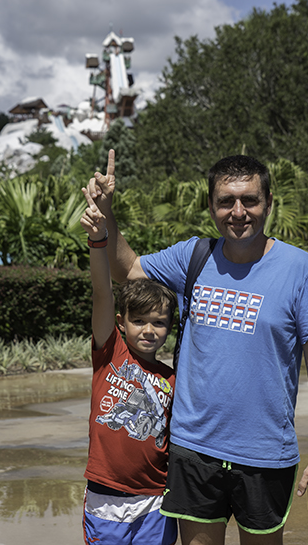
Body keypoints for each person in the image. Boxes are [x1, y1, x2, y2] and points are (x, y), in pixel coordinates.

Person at [87, 150, 308, 545]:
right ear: (211, 207)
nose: (238, 212)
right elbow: (128, 271)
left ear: (268, 204)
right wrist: (107, 211)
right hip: (193, 449)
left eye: (250, 200)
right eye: (226, 201)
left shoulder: (299, 268)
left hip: (266, 453)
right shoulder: (193, 256)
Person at [79, 187, 179, 545]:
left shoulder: (172, 378)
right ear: (121, 322)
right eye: (139, 321)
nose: (149, 330)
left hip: (156, 501)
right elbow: (102, 291)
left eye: (159, 322)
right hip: (105, 499)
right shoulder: (109, 351)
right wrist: (98, 241)